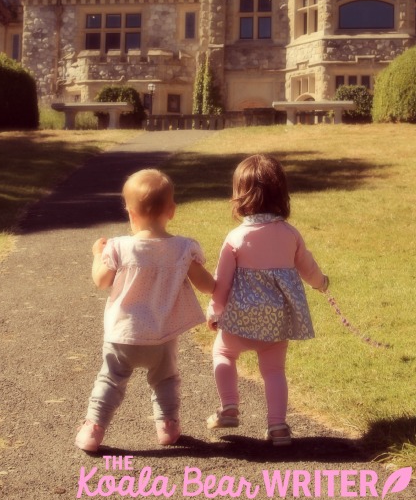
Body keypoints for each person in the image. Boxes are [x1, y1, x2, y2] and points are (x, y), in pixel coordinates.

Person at [75, 168, 215, 452]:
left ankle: (93, 429)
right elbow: (207, 286)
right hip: (162, 338)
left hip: (122, 335)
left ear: (130, 213)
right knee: (165, 380)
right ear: (172, 210)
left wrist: (95, 256)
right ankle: (167, 426)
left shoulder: (118, 247)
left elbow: (101, 281)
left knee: (111, 380)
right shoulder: (183, 248)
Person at [206, 153, 329, 446]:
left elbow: (221, 283)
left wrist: (214, 311)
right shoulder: (289, 234)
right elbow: (308, 267)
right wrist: (321, 283)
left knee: (223, 354)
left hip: (239, 319)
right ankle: (278, 427)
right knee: (273, 371)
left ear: (239, 196)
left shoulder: (237, 237)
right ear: (281, 195)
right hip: (276, 321)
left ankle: (230, 407)